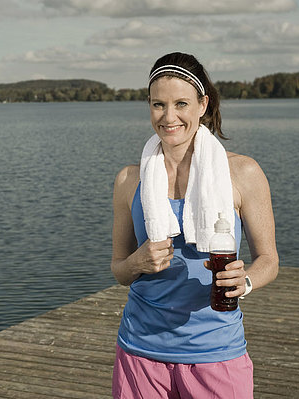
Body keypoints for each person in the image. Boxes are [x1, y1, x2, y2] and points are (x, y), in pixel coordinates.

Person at [111, 52, 279, 398]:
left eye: (181, 104)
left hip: (215, 351)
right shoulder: (130, 179)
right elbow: (119, 269)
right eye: (158, 105)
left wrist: (244, 281)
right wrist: (136, 263)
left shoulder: (243, 173)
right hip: (140, 351)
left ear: (203, 104)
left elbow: (269, 260)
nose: (169, 117)